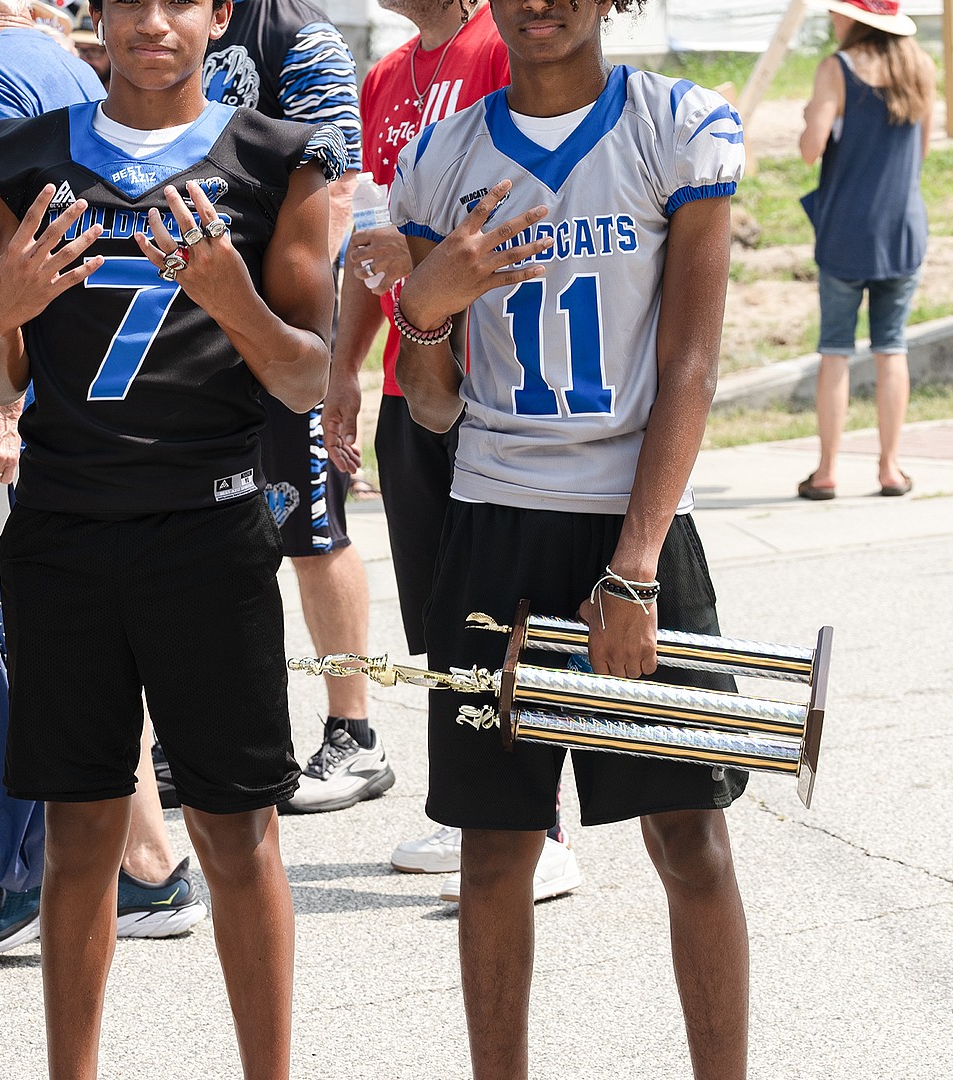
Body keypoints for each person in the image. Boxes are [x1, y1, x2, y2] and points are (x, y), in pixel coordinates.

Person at [0, 0, 343, 1070]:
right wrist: (1, 316)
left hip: (208, 528)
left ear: (219, 14)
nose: (152, 20)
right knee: (83, 835)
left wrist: (231, 297)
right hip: (67, 527)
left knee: (236, 828)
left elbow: (308, 373)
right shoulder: (21, 158)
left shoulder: (276, 161)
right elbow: (1, 373)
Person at [390, 1, 749, 1076]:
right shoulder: (439, 156)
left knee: (688, 833)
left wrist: (634, 569)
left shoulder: (677, 125)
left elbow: (690, 363)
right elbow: (430, 405)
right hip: (494, 515)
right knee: (494, 850)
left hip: (634, 527)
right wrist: (426, 305)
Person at [0, 0, 206, 962]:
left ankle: (66, 869)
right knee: (82, 651)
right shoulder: (74, 70)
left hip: (3, 404)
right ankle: (148, 865)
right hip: (85, 399)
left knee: (18, 649)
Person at [333, 0, 578, 898]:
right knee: (440, 613)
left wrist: (423, 251)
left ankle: (538, 825)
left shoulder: (499, 45)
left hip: (497, 381)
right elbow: (371, 242)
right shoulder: (386, 77)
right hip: (413, 375)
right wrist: (343, 373)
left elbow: (533, 202)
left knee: (505, 609)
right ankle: (479, 810)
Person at [200, 0, 385, 816]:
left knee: (312, 527)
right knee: (204, 528)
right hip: (193, 319)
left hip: (276, 319)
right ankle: (199, 735)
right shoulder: (181, 20)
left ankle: (355, 733)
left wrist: (294, 317)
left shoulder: (298, 34)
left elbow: (336, 186)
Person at [795, 0, 933, 502]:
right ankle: (891, 469)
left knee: (835, 350)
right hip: (903, 230)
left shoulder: (836, 69)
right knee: (890, 348)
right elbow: (919, 153)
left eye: (837, 11)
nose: (832, 18)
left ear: (855, 19)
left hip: (847, 234)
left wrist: (812, 117)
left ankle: (828, 471)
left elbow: (810, 150)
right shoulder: (921, 65)